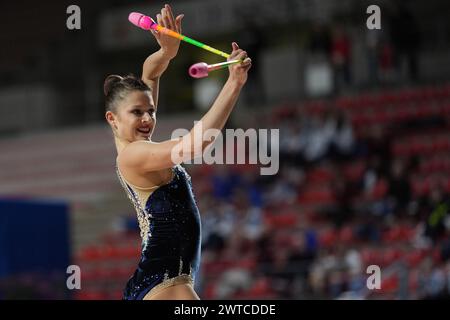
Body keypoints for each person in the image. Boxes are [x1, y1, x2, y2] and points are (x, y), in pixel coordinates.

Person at [103, 4, 251, 300]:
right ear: (113, 119)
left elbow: (150, 74)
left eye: (151, 111)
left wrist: (166, 53)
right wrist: (233, 84)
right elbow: (196, 143)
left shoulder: (137, 147)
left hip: (166, 281)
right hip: (165, 284)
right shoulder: (132, 156)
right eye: (137, 112)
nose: (147, 119)